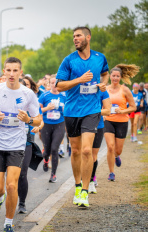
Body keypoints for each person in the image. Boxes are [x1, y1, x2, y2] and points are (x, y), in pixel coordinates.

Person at [0, 57, 41, 232]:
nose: (11, 74)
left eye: (15, 71)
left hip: (17, 144)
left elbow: (39, 119)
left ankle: (8, 224)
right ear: (4, 71)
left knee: (11, 185)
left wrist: (28, 120)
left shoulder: (28, 94)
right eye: (8, 70)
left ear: (20, 72)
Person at [56, 26, 109, 208]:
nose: (75, 39)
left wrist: (103, 84)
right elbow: (59, 86)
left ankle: (85, 191)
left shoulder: (99, 58)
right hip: (71, 111)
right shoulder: (69, 60)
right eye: (73, 37)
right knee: (76, 151)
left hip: (92, 110)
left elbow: (105, 73)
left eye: (78, 36)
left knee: (87, 151)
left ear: (88, 37)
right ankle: (77, 185)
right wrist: (79, 80)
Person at [104, 65, 138, 181]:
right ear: (110, 76)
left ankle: (117, 156)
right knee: (110, 146)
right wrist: (103, 113)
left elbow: (133, 107)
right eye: (113, 76)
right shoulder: (106, 89)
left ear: (120, 77)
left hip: (122, 122)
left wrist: (122, 110)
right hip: (108, 121)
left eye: (117, 76)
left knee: (117, 150)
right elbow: (99, 104)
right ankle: (111, 172)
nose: (115, 78)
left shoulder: (125, 90)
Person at [18, 77, 42, 214]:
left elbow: (40, 120)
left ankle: (21, 203)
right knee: (11, 175)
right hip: (9, 142)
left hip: (27, 140)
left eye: (25, 85)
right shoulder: (6, 100)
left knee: (23, 173)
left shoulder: (32, 101)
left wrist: (35, 124)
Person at [38, 77, 66, 182]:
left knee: (55, 149)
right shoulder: (44, 95)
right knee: (47, 150)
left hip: (59, 124)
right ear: (49, 84)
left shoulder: (64, 96)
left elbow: (69, 109)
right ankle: (45, 159)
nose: (54, 85)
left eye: (56, 83)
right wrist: (47, 108)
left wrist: (65, 110)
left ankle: (53, 174)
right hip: (46, 125)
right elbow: (37, 110)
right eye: (52, 83)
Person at [89, 88, 111, 193]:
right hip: (82, 125)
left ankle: (91, 180)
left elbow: (108, 110)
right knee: (84, 153)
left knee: (93, 155)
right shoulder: (81, 88)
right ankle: (82, 179)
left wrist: (93, 112)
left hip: (98, 125)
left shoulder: (102, 91)